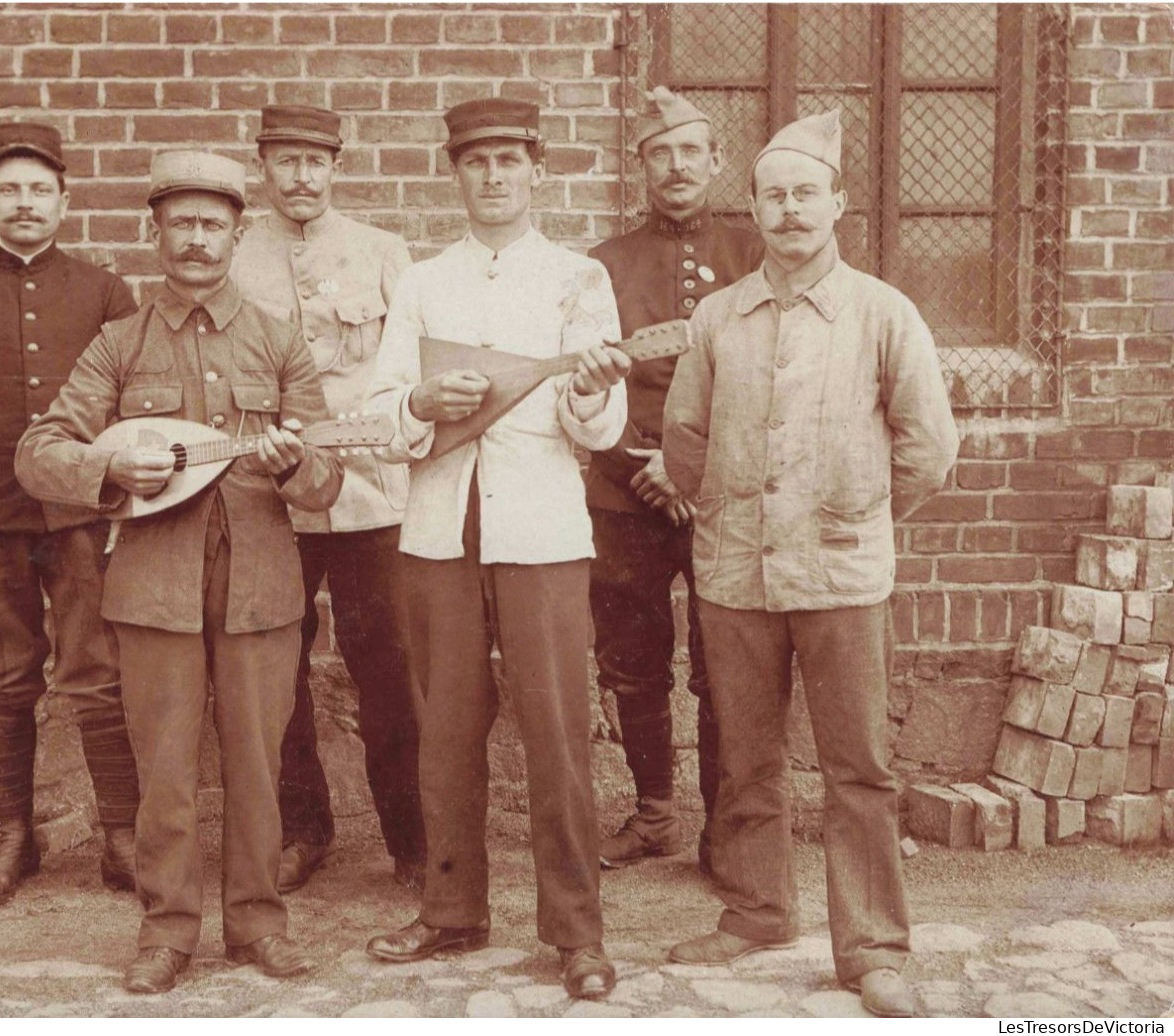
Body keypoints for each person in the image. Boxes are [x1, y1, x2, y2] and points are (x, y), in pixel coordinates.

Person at [13, 151, 343, 995]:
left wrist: (291, 464)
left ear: (238, 234)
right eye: (181, 223)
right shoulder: (118, 343)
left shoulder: (276, 340)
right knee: (164, 769)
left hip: (261, 585)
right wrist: (112, 471)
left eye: (213, 224)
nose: (196, 239)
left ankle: (257, 924)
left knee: (256, 765)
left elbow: (330, 475)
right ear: (153, 232)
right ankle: (165, 933)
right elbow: (38, 452)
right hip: (153, 590)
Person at [661, 110, 959, 1018]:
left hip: (841, 578)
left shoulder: (881, 312)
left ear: (837, 204)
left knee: (857, 765)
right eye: (772, 196)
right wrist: (722, 513)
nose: (789, 211)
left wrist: (855, 513)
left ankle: (871, 945)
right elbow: (683, 438)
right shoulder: (717, 315)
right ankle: (755, 910)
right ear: (749, 209)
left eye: (805, 194)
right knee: (743, 756)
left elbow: (929, 450)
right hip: (734, 577)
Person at [363, 98, 631, 1000]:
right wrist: (417, 408)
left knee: (555, 733)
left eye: (508, 160)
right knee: (442, 732)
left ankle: (576, 933)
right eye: (474, 161)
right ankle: (451, 911)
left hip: (541, 533)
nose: (492, 176)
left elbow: (597, 426)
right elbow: (379, 407)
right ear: (455, 173)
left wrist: (591, 391)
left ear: (535, 171)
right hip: (439, 532)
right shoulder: (423, 281)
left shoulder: (576, 278)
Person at [0, 122, 141, 908]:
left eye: (39, 190)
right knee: (7, 675)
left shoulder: (103, 292)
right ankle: (14, 839)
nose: (25, 203)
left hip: (82, 515)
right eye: (9, 190)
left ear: (64, 200)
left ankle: (121, 836)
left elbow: (127, 398)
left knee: (96, 672)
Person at [233, 105, 426, 894]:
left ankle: (413, 839)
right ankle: (301, 830)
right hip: (269, 494)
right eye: (285, 161)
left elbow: (407, 369)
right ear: (264, 168)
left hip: (367, 494)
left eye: (316, 161)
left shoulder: (383, 253)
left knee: (387, 664)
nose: (301, 177)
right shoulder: (235, 257)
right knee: (276, 670)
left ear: (336, 167)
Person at [585, 88, 762, 873]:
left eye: (690, 150)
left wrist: (692, 466)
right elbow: (587, 378)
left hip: (721, 492)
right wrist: (642, 462)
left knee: (724, 655)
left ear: (716, 161)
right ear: (641, 167)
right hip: (624, 493)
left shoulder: (755, 258)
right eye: (660, 152)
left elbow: (767, 380)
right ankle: (653, 811)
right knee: (632, 657)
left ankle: (725, 826)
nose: (676, 165)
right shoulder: (605, 265)